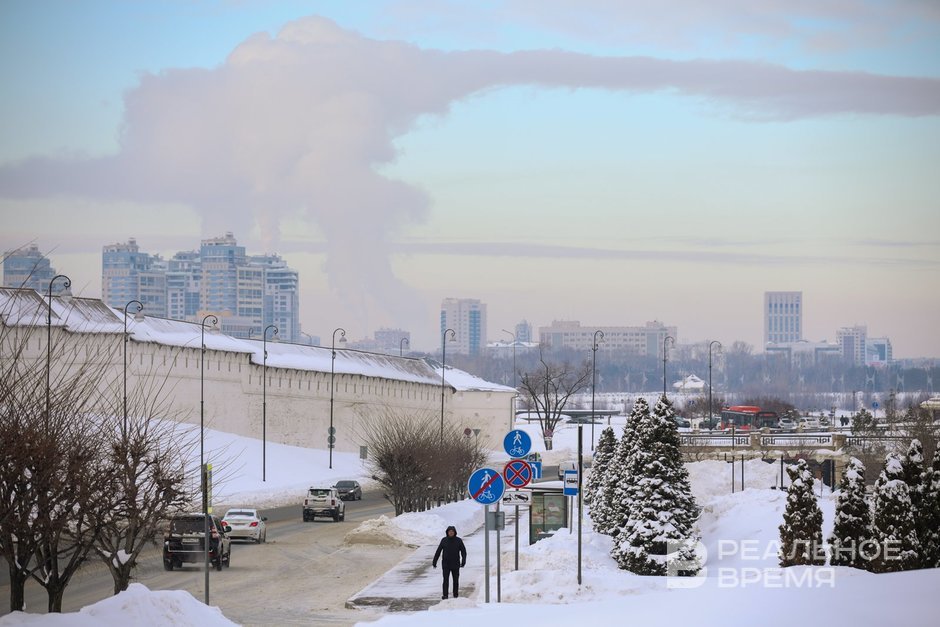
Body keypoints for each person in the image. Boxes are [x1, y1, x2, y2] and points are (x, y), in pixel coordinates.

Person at [432, 525, 466, 599]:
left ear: (455, 532)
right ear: (447, 532)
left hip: (455, 564)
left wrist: (463, 561)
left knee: (456, 580)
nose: (451, 533)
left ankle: (455, 594)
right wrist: (434, 561)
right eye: (449, 531)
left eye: (452, 531)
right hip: (446, 564)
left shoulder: (458, 540)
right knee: (445, 580)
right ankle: (445, 595)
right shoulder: (444, 540)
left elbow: (463, 551)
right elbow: (438, 551)